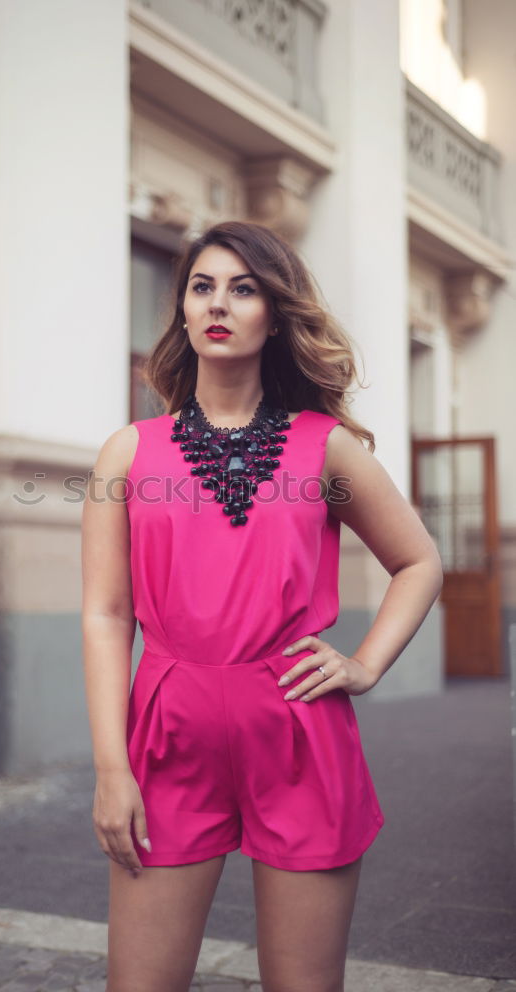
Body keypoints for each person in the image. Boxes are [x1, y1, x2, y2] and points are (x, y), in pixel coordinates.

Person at [81, 221, 444, 992]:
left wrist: (363, 664)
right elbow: (107, 614)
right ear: (181, 310)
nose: (219, 304)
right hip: (166, 736)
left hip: (298, 729)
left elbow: (417, 562)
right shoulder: (129, 452)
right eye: (201, 286)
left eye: (243, 289)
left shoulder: (328, 449)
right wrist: (112, 768)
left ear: (273, 315)